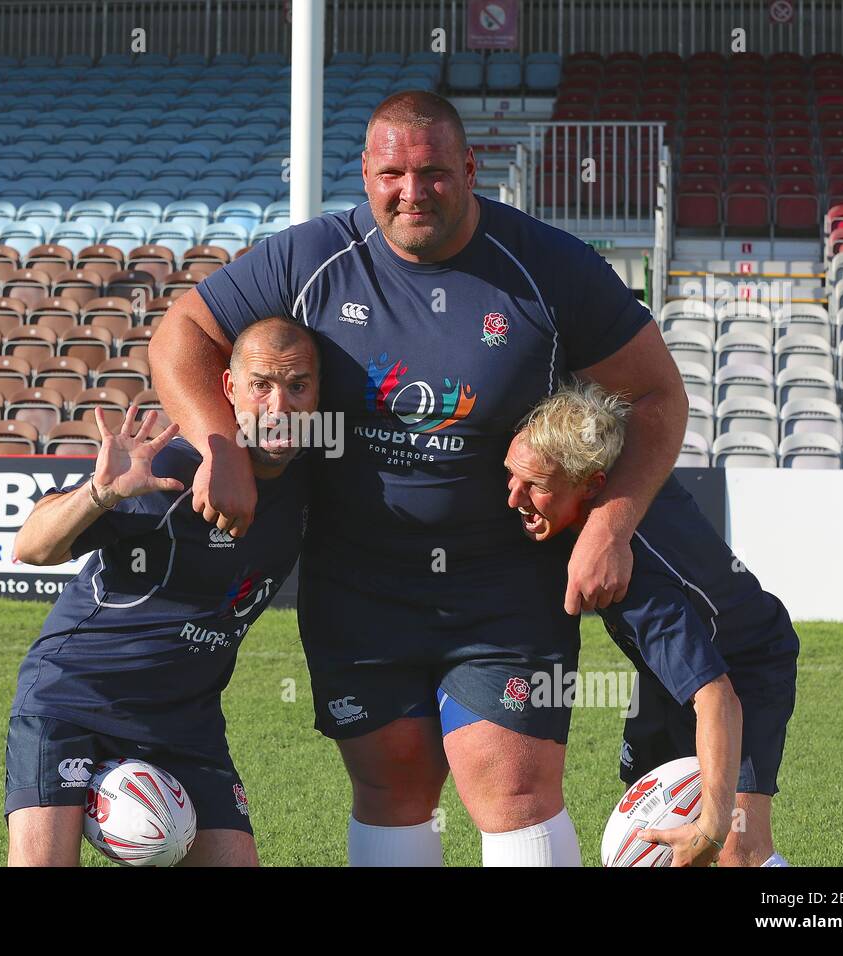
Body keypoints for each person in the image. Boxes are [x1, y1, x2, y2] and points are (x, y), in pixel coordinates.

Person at [149, 90, 688, 866]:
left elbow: (657, 393)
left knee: (513, 790)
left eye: (434, 172)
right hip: (358, 583)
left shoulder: (549, 267)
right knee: (394, 791)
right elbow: (182, 334)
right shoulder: (311, 259)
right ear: (365, 173)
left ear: (471, 168)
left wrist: (611, 523)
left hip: (506, 583)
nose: (413, 192)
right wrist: (221, 446)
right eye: (393, 173)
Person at [5, 317, 319, 867]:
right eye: (261, 385)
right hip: (74, 696)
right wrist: (100, 494)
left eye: (298, 386)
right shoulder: (171, 467)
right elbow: (31, 547)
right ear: (228, 388)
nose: (279, 406)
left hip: (186, 720)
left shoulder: (317, 478)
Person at [505, 381, 798, 867]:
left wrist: (710, 826)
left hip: (746, 671)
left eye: (536, 484)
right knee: (654, 838)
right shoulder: (629, 468)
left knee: (735, 849)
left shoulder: (632, 579)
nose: (514, 497)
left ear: (592, 485)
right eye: (511, 476)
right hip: (665, 680)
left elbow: (716, 696)